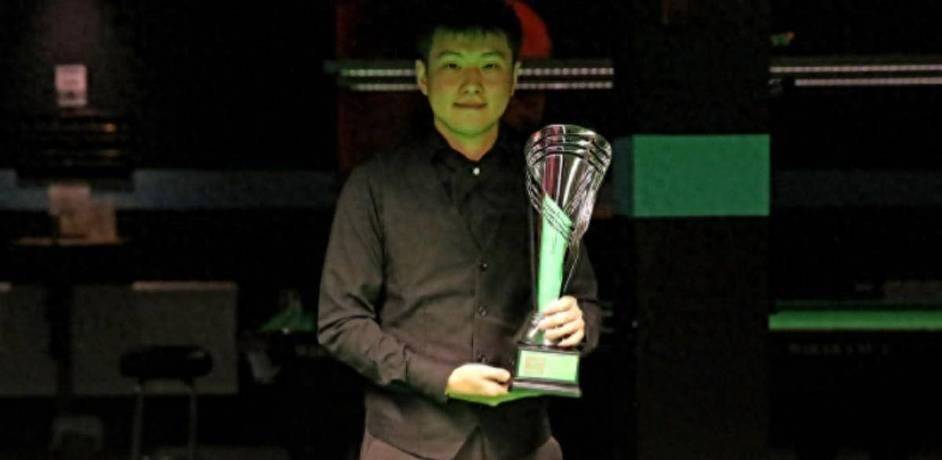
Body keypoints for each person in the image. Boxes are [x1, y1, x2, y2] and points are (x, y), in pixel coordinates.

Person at [317, 2, 601, 459]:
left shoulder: (547, 185)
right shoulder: (374, 186)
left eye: (489, 66)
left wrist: (579, 324)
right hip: (406, 445)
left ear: (514, 78)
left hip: (523, 443)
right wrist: (442, 379)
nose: (472, 83)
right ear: (423, 77)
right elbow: (340, 323)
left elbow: (583, 302)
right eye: (452, 65)